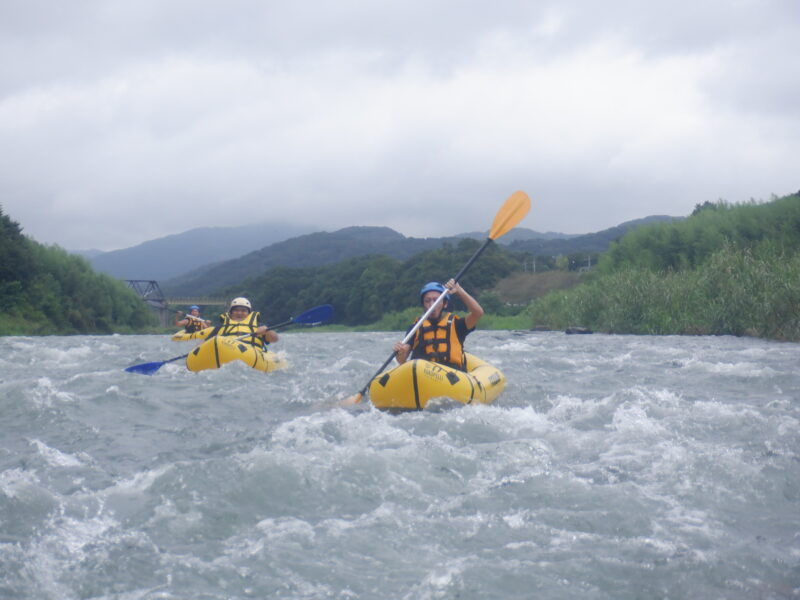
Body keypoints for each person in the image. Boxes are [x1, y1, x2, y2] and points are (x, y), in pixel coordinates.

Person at [393, 279, 484, 371]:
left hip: (452, 376)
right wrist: (400, 353)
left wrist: (459, 290)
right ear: (423, 304)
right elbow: (401, 360)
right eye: (427, 301)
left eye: (436, 300)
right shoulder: (415, 327)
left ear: (445, 304)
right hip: (423, 374)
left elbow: (478, 313)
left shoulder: (457, 325)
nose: (432, 304)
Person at [208, 297, 278, 347]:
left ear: (249, 313)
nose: (239, 313)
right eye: (236, 310)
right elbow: (206, 342)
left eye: (243, 310)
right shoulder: (221, 326)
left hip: (252, 354)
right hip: (225, 354)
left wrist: (268, 332)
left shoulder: (258, 325)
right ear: (231, 312)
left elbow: (274, 339)